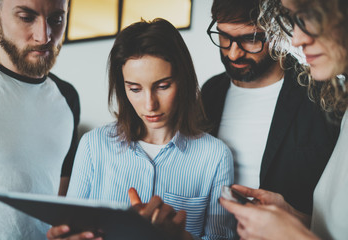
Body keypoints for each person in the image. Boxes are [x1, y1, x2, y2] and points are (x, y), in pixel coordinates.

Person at [47, 18, 235, 240]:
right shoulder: (93, 145)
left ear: (183, 80)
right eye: (135, 89)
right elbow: (72, 228)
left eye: (163, 86)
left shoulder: (215, 156)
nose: (150, 105)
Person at [220, 0, 348, 239]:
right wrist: (294, 218)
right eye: (293, 20)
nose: (296, 39)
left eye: (310, 18)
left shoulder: (320, 100)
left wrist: (290, 235)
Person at [0, 0, 80, 239]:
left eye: (56, 19)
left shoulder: (67, 97)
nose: (44, 36)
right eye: (26, 18)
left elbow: (62, 192)